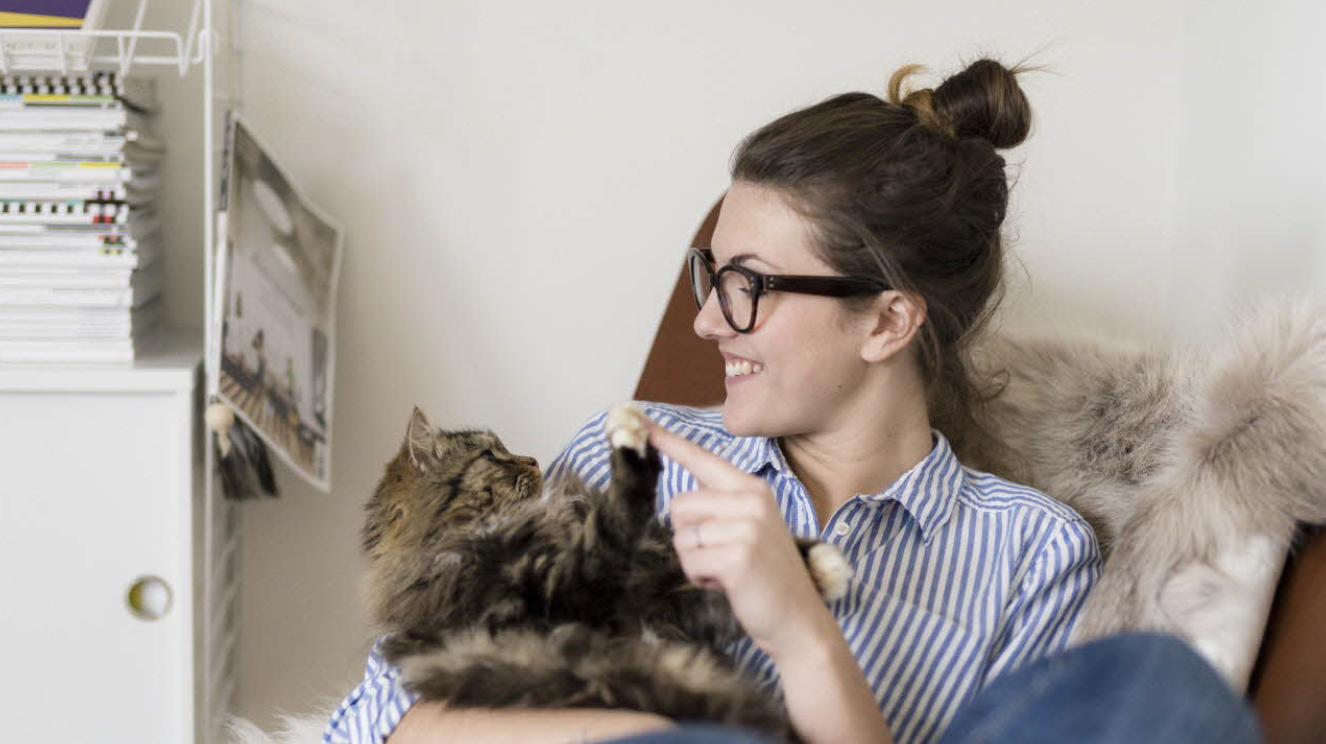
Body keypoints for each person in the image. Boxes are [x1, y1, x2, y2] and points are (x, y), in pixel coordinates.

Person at [326, 57, 1104, 744]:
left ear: (886, 322)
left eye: (748, 285)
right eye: (713, 275)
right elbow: (376, 720)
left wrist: (801, 635)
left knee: (1149, 674)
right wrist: (650, 737)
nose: (705, 322)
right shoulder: (626, 455)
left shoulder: (1035, 557)